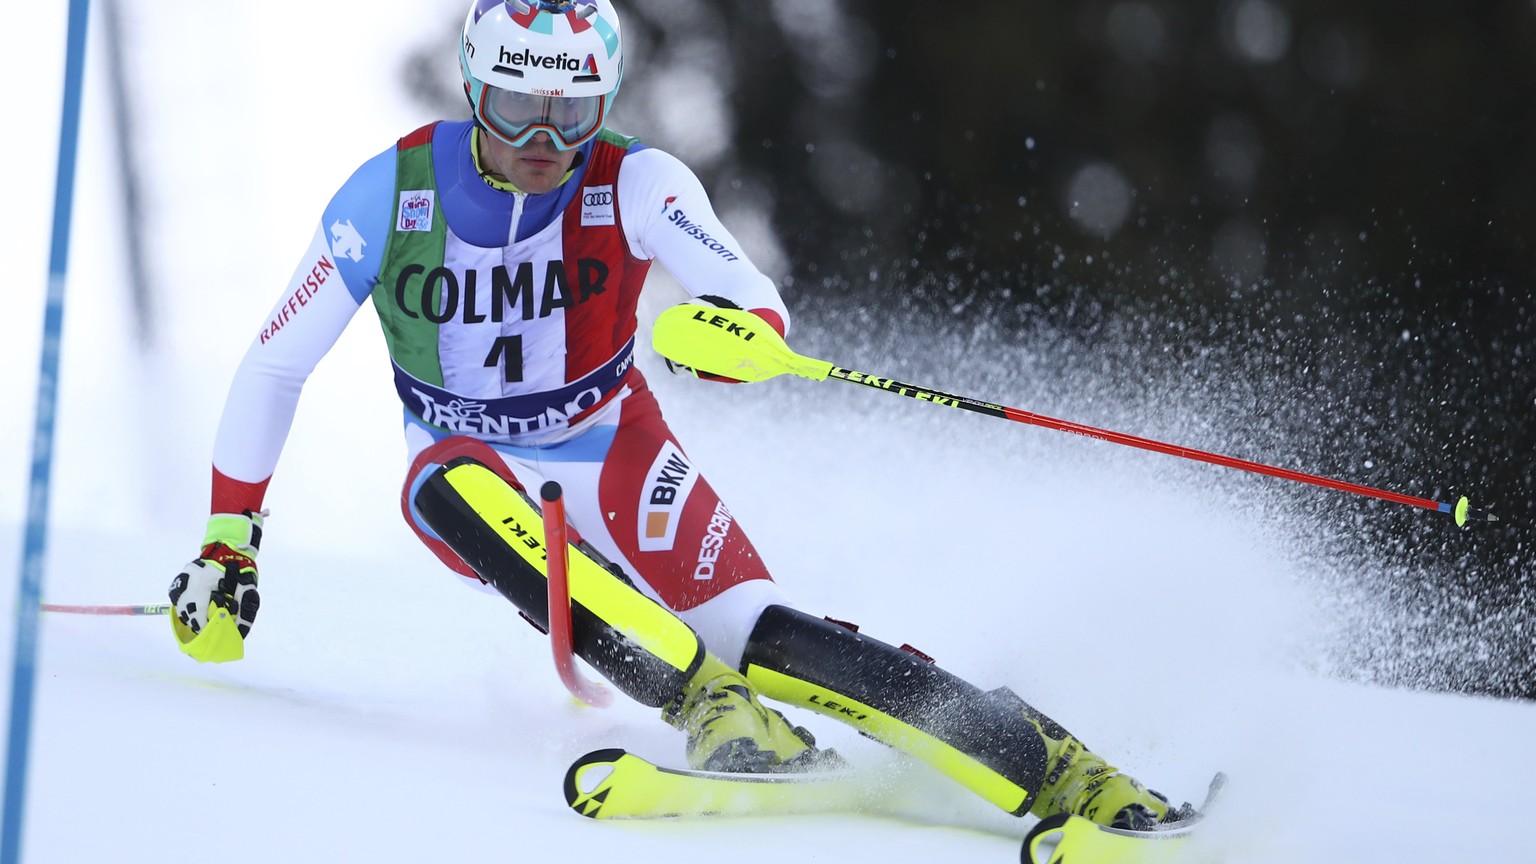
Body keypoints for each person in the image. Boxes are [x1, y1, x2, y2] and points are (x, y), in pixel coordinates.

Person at [167, 0, 1179, 830]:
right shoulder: (391, 193)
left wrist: (736, 336)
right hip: (477, 472)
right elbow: (273, 367)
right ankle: (716, 712)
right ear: (475, 88)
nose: (542, 142)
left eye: (573, 113)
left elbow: (753, 298)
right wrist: (228, 542)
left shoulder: (637, 181)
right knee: (442, 486)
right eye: (516, 106)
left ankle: (1072, 777)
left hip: (617, 451)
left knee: (771, 637)